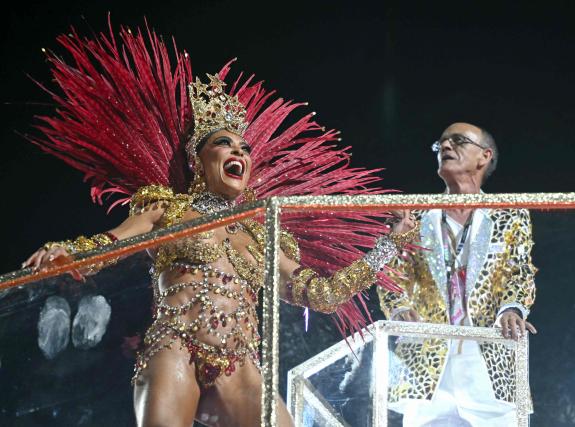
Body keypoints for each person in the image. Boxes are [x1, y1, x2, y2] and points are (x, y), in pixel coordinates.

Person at [21, 22, 417, 427]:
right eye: (223, 143)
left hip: (239, 364)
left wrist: (389, 245)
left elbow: (325, 294)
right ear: (199, 161)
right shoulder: (168, 211)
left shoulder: (264, 235)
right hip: (175, 349)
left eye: (244, 148)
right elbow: (110, 245)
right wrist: (66, 252)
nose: (238, 152)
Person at [378, 123, 537, 427]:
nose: (446, 147)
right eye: (441, 145)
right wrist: (398, 307)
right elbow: (390, 274)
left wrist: (512, 309)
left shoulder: (510, 214)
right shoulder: (414, 215)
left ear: (484, 156)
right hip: (425, 361)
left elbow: (519, 272)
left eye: (458, 141)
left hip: (489, 357)